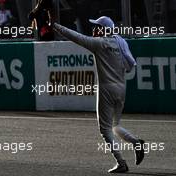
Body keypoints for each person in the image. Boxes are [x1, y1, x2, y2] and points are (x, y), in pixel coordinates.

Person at [53, 16, 145, 173]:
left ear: (105, 29)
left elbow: (76, 37)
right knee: (115, 126)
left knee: (105, 130)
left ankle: (121, 162)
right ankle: (136, 143)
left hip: (106, 90)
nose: (94, 29)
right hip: (121, 89)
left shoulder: (99, 43)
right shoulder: (120, 42)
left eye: (97, 27)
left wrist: (54, 25)